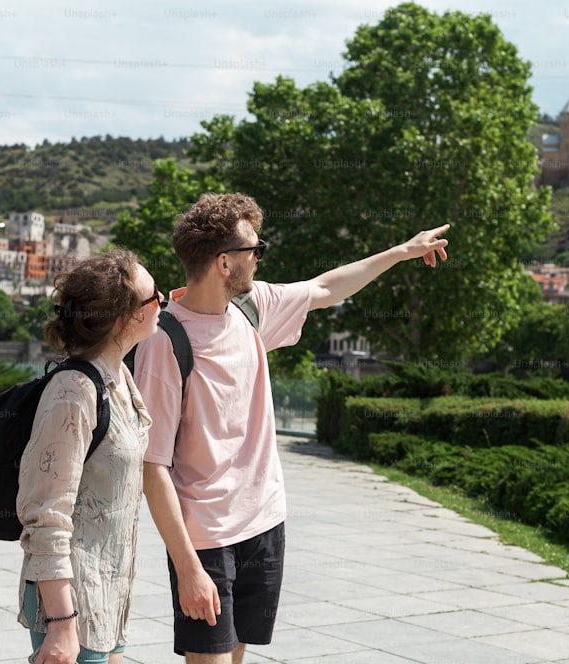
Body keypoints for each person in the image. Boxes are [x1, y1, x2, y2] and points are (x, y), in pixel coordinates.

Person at [132, 193, 450, 662]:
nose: (260, 259)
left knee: (238, 656)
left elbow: (325, 289)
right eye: (255, 251)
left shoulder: (251, 307)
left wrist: (402, 251)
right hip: (206, 538)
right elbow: (152, 465)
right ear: (224, 262)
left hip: (263, 522)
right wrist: (187, 566)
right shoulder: (165, 342)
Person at [16, 248, 163, 664]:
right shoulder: (74, 394)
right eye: (155, 299)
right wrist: (62, 625)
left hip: (108, 594)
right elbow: (46, 515)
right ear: (124, 317)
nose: (164, 303)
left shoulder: (120, 377)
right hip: (71, 601)